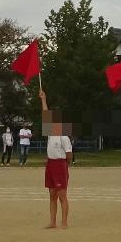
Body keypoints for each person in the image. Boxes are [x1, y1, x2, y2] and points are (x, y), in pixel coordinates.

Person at [39, 82, 71, 229]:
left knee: (62, 196)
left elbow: (69, 154)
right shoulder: (50, 134)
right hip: (50, 164)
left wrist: (65, 165)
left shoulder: (64, 137)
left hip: (60, 164)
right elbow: (45, 114)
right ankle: (52, 222)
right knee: (52, 194)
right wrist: (43, 100)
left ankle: (64, 222)